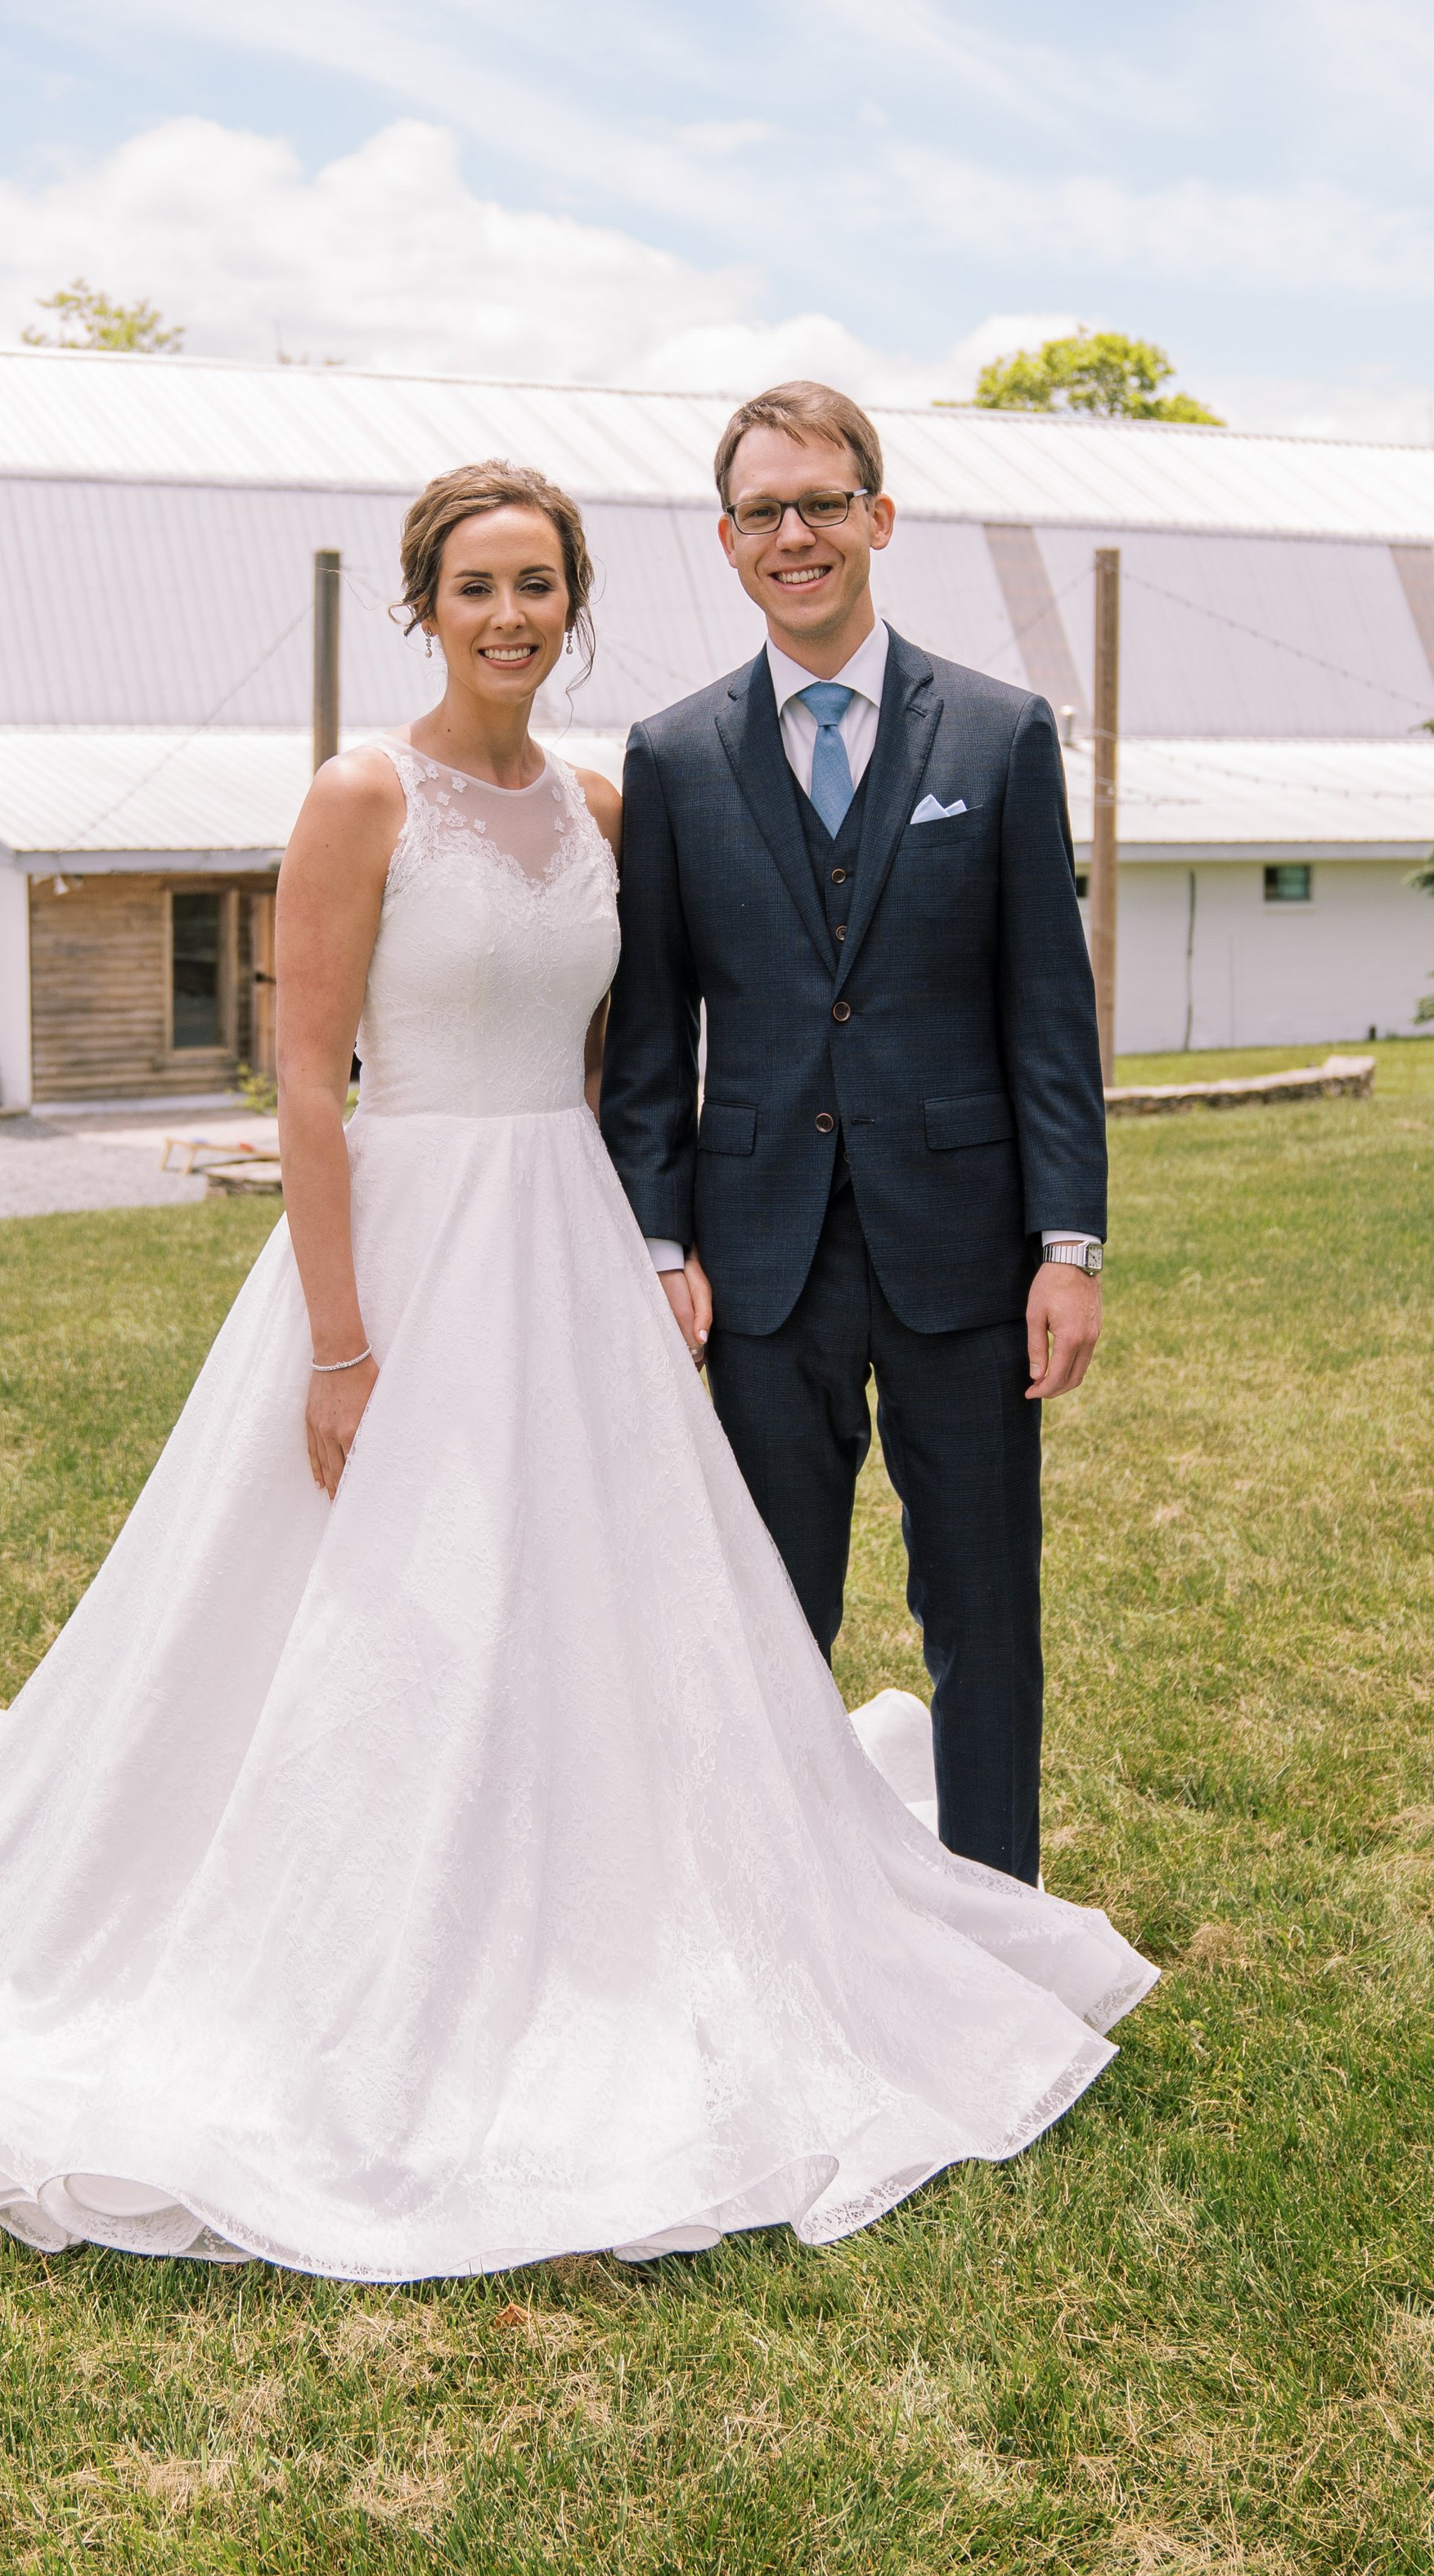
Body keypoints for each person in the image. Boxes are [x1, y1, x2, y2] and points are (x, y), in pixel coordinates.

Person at [0, 459, 1151, 2282]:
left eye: (537, 584)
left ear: (575, 602)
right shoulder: (357, 792)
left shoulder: (596, 799)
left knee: (591, 1603)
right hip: (400, 1246)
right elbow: (303, 1081)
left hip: (564, 1244)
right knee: (389, 1612)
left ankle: (612, 1898)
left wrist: (651, 1240)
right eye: (475, 585)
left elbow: (618, 1057)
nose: (508, 614)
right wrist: (337, 1341)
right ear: (425, 606)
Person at [600, 382, 1108, 1890]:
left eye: (823, 502)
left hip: (964, 1252)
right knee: (767, 1609)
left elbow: (1049, 1019)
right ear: (728, 540)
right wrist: (660, 1239)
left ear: (878, 518)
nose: (796, 534)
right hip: (760, 1263)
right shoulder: (676, 757)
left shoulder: (1003, 734)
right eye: (764, 511)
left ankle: (1002, 1913)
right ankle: (778, 1911)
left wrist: (1067, 1244)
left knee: (983, 1613)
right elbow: (649, 1035)